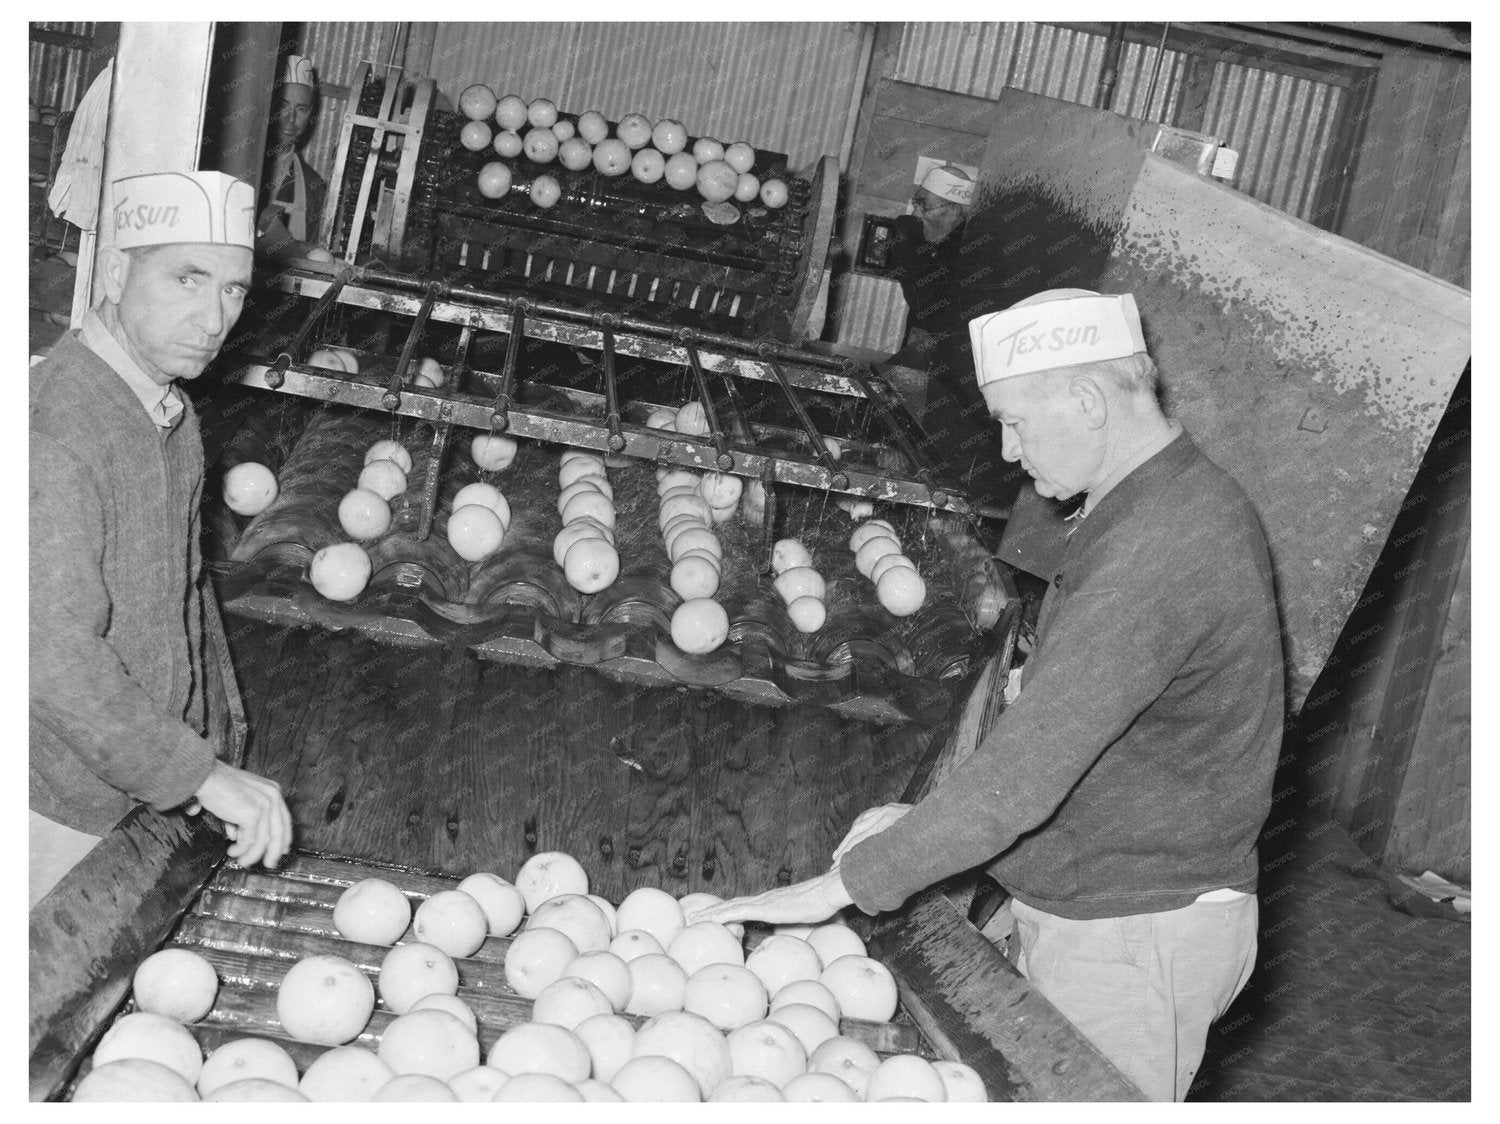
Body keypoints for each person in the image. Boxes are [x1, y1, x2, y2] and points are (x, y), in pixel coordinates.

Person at [693, 289, 1285, 1102]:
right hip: (1102, 899)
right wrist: (928, 826)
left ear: (1086, 401)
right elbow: (1084, 728)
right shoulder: (1158, 499)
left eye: (1016, 420)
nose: (1008, 452)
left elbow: (1030, 771)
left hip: (1131, 931)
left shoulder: (1163, 544)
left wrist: (846, 883)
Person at [31, 170, 294, 907]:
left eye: (234, 290)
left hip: (128, 783)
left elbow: (179, 597)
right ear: (116, 272)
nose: (213, 317)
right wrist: (198, 774)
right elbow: (46, 653)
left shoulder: (167, 412)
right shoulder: (57, 427)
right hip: (46, 803)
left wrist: (210, 745)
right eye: (187, 277)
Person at [881, 163, 1014, 508]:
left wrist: (908, 237)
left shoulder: (967, 250)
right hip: (946, 369)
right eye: (916, 202)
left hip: (970, 383)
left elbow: (929, 308)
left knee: (959, 469)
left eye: (926, 205)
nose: (917, 213)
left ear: (955, 210)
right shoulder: (940, 243)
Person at [257, 54, 328, 257]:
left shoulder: (313, 188)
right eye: (283, 105)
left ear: (311, 113)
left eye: (301, 108)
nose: (291, 118)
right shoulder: (233, 163)